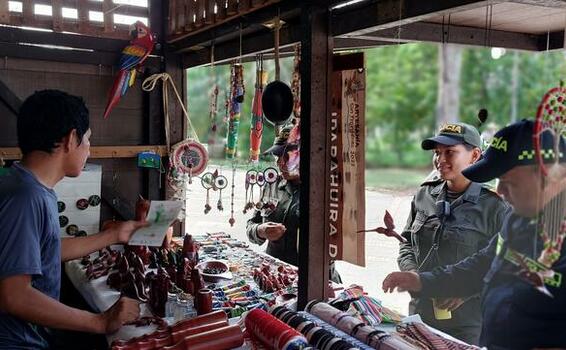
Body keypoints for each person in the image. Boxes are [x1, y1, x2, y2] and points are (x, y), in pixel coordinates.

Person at [383, 119, 566, 349]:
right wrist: (421, 281)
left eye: (510, 182)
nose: (500, 190)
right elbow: (480, 266)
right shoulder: (521, 222)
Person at [0, 90, 147, 349]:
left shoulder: (26, 185)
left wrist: (115, 234)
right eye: (88, 139)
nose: (89, 150)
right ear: (71, 139)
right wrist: (101, 321)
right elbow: (14, 296)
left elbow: (46, 251)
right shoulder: (26, 198)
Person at [396, 122, 508, 345]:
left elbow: (506, 266)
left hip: (467, 324)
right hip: (420, 314)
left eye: (450, 152)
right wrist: (414, 276)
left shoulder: (495, 205)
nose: (440, 159)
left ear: (475, 155)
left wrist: (467, 291)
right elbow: (406, 241)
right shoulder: (424, 194)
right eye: (437, 153)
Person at [246, 123, 341, 282]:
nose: (280, 164)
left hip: (313, 280)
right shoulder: (273, 185)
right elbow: (251, 225)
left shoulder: (325, 191)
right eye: (278, 157)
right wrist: (260, 230)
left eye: (287, 157)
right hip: (275, 275)